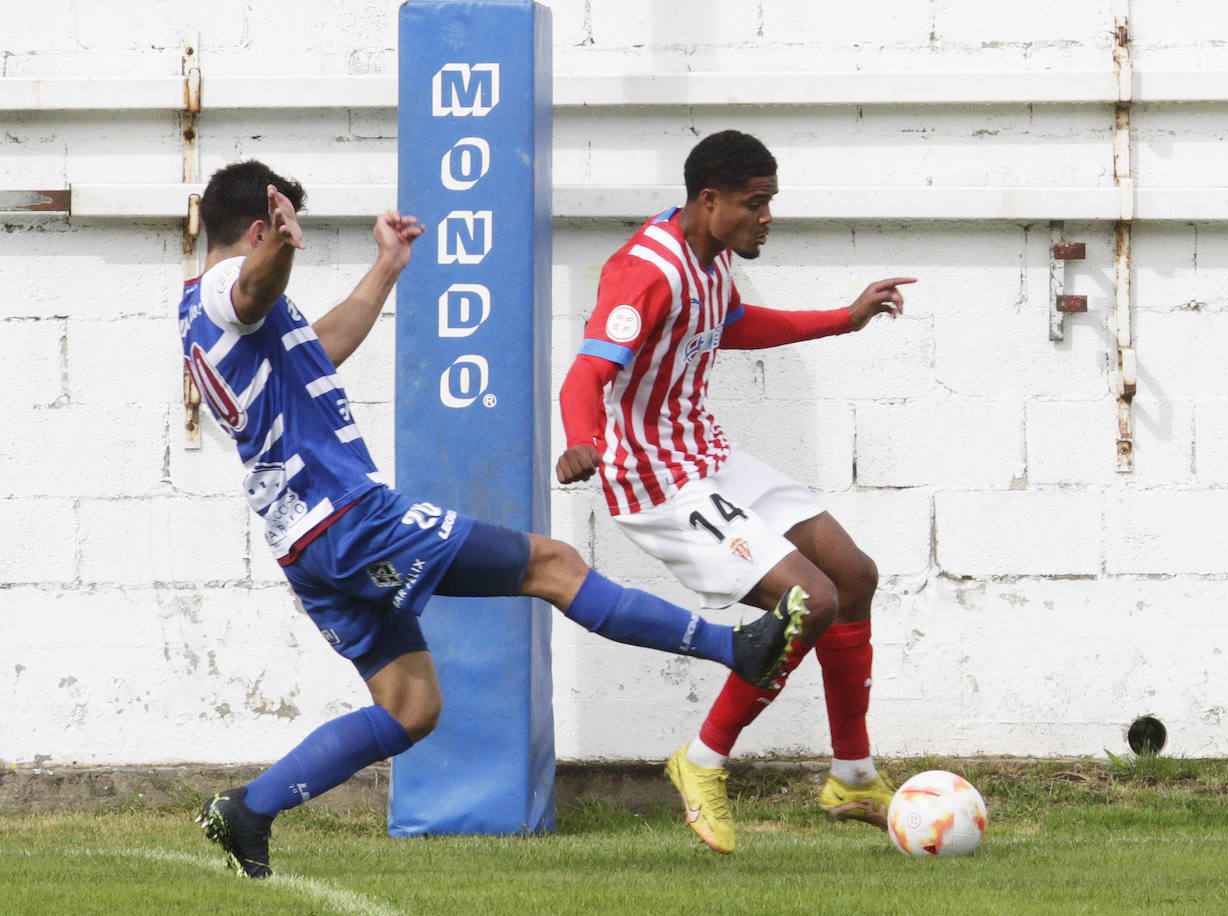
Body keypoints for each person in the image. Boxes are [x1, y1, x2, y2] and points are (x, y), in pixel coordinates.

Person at [180, 160, 808, 879]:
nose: (290, 245)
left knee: (411, 707)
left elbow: (316, 352)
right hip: (351, 520)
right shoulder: (232, 289)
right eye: (283, 232)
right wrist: (282, 248)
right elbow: (253, 284)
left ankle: (248, 812)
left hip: (305, 542)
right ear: (260, 227)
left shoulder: (196, 313)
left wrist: (386, 268)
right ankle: (737, 651)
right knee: (553, 564)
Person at [556, 130, 915, 854]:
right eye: (756, 203)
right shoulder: (644, 272)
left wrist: (842, 319)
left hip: (707, 454)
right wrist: (581, 438)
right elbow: (586, 372)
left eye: (771, 202)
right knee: (808, 598)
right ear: (709, 200)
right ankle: (703, 761)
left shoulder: (710, 258)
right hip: (655, 476)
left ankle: (851, 776)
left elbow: (733, 327)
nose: (766, 217)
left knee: (853, 575)